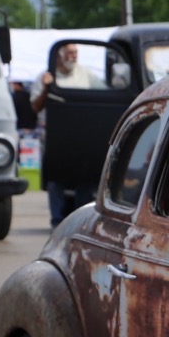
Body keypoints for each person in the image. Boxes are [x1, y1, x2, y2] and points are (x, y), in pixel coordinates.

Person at [30, 44, 106, 227]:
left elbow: (104, 93)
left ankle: (81, 220)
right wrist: (46, 89)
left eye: (76, 53)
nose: (74, 56)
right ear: (59, 57)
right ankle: (57, 221)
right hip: (56, 136)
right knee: (56, 180)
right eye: (70, 53)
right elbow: (36, 107)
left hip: (81, 135)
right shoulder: (44, 77)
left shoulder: (86, 74)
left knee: (85, 178)